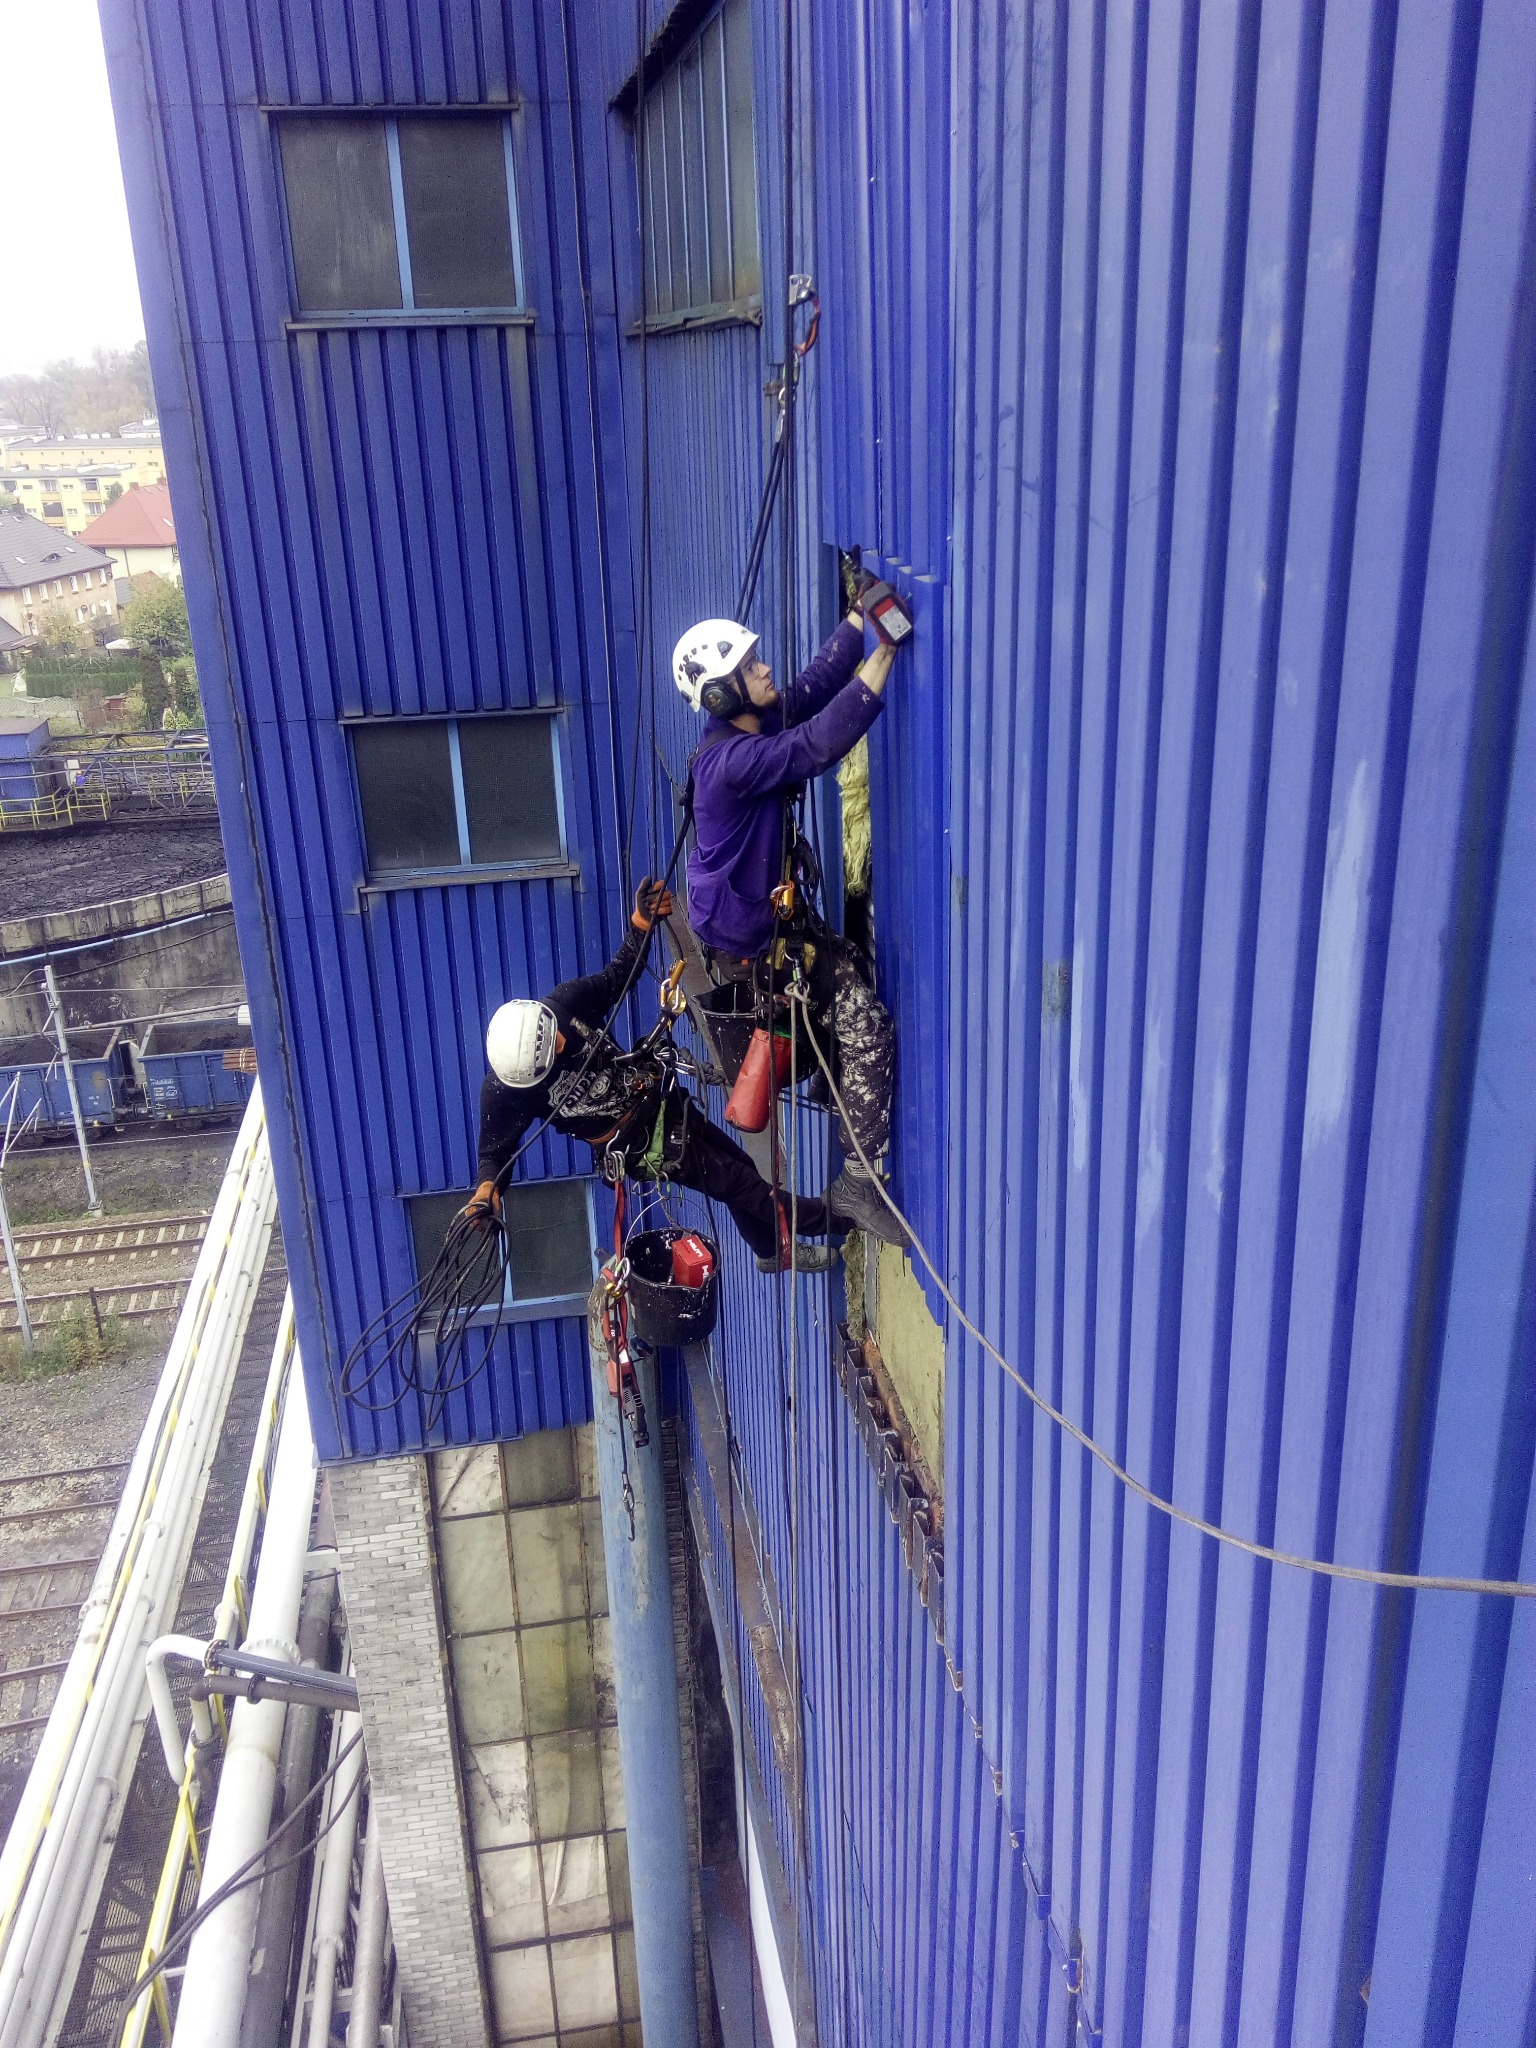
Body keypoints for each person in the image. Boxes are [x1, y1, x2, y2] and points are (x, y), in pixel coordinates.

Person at [672, 591, 911, 1244]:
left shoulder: (753, 724)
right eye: (751, 668)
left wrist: (862, 618)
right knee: (865, 1026)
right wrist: (886, 653)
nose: (766, 670)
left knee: (849, 978)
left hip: (764, 931)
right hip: (758, 950)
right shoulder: (729, 764)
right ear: (721, 697)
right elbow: (813, 746)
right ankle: (857, 1184)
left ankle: (847, 1120)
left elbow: (808, 689)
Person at [467, 880, 845, 1272]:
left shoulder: (563, 1004)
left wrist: (641, 924)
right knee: (741, 1185)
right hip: (640, 1145)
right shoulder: (503, 1091)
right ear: (530, 1077)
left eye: (559, 1036)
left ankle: (770, 1250)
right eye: (554, 1054)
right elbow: (495, 1153)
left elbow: (618, 977)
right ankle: (841, 1220)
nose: (564, 1044)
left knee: (739, 1172)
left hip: (658, 1100)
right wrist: (487, 1189)